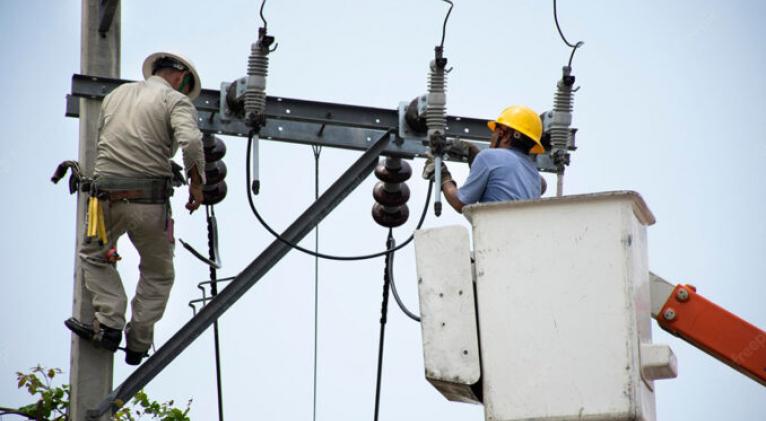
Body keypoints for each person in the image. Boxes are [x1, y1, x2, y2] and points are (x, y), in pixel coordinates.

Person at [65, 52, 207, 366]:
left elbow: (115, 142)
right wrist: (197, 184)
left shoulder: (116, 96)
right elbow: (191, 142)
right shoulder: (175, 101)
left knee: (93, 255)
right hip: (149, 203)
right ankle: (139, 341)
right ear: (180, 77)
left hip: (105, 200)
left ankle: (110, 323)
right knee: (158, 273)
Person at [424, 105, 546, 213]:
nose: (492, 137)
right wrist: (473, 154)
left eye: (495, 131)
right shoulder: (535, 175)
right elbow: (499, 175)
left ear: (504, 134)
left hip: (496, 233)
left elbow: (460, 203)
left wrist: (443, 177)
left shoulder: (488, 158)